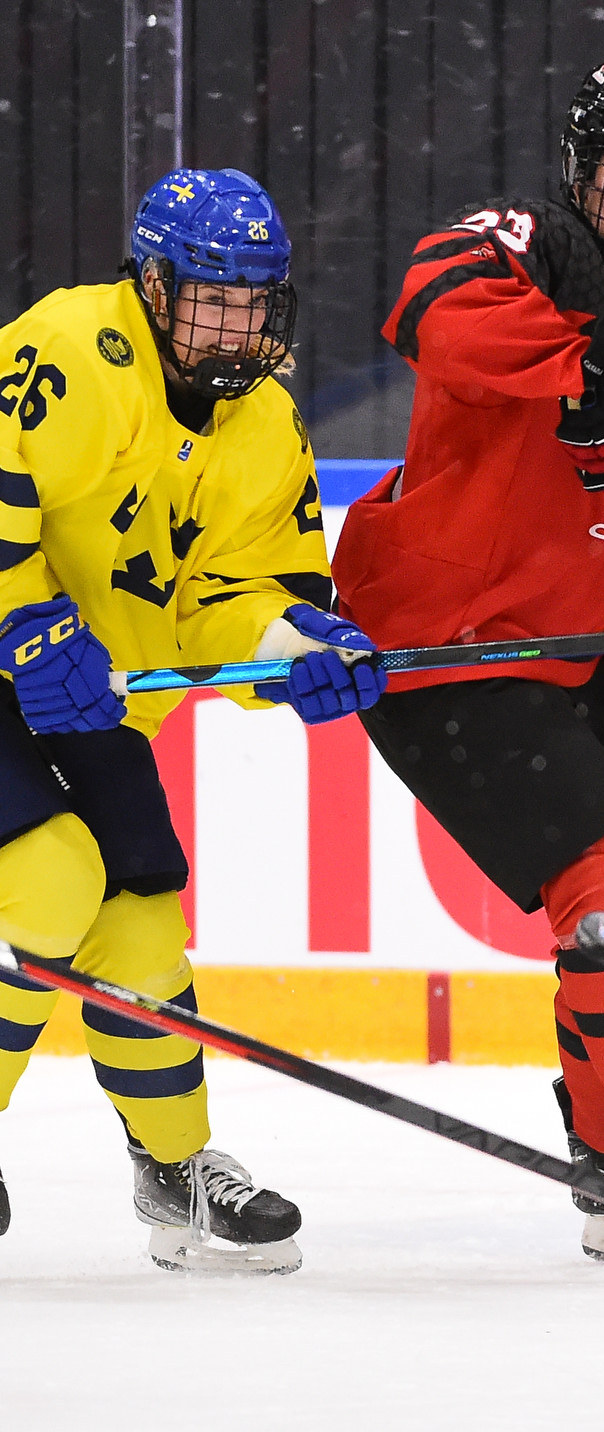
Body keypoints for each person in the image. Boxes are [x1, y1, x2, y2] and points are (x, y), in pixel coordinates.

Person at [331, 58, 604, 1285]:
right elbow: (430, 305)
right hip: (439, 654)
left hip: (554, 658)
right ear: (580, 173)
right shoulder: (521, 252)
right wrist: (577, 361)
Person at [0, 168, 381, 1274]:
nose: (239, 324)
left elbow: (243, 594)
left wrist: (302, 652)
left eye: (257, 301)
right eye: (215, 298)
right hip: (18, 661)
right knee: (51, 878)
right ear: (155, 286)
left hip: (83, 699)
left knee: (141, 925)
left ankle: (175, 1165)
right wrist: (23, 627)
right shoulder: (71, 347)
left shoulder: (265, 426)